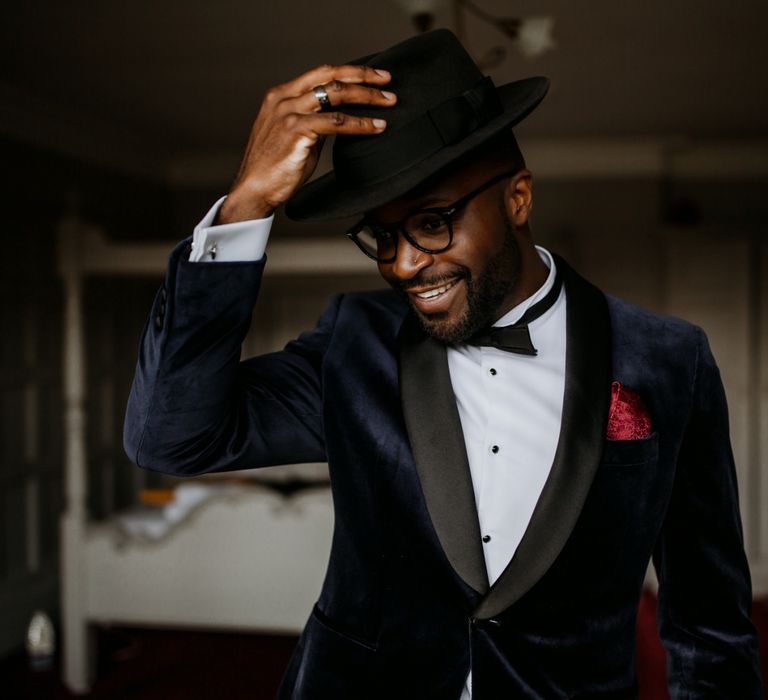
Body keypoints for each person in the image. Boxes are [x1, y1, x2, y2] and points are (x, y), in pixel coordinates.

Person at [124, 29, 762, 698]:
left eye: (432, 222)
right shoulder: (354, 341)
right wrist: (245, 206)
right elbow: (169, 435)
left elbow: (708, 628)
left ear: (517, 198)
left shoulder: (668, 359)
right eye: (382, 235)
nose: (402, 264)